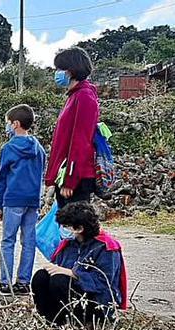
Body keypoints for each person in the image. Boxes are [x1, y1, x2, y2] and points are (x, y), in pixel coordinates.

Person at [31, 202, 128, 327]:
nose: (64, 230)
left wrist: (73, 273)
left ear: (80, 229)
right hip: (70, 294)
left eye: (67, 226)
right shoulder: (69, 244)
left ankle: (77, 324)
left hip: (97, 301)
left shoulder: (106, 247)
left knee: (59, 280)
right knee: (41, 277)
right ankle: (50, 321)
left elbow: (104, 283)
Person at [0, 104, 46, 296]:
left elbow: (2, 178)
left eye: (8, 123)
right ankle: (24, 281)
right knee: (28, 240)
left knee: (8, 240)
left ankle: (5, 282)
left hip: (13, 199)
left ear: (15, 124)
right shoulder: (38, 148)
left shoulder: (9, 148)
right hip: (32, 200)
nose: (7, 127)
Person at [45, 47, 100, 209]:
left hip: (77, 179)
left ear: (70, 71)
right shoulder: (74, 96)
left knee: (78, 230)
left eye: (60, 69)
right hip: (66, 175)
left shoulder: (84, 97)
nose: (57, 73)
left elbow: (81, 141)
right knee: (67, 230)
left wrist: (70, 180)